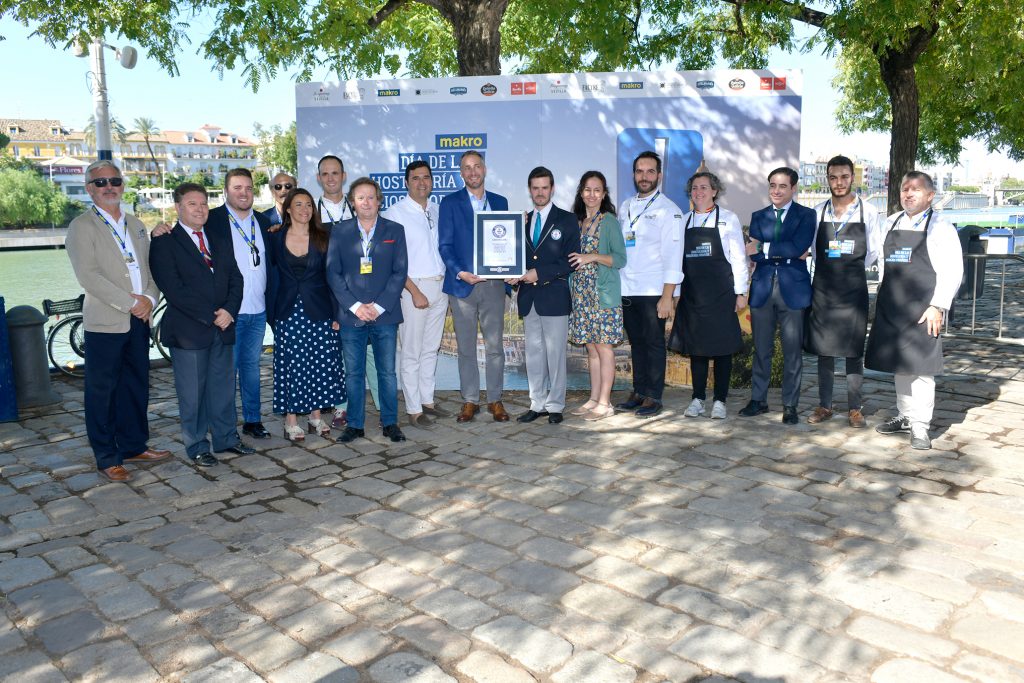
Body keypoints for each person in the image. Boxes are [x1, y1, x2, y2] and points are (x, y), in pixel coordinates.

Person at [65, 161, 169, 482]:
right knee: (102, 392)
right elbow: (89, 277)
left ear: (122, 185)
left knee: (136, 385)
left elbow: (152, 268)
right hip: (106, 324)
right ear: (89, 189)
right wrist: (131, 303)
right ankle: (107, 456)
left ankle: (135, 444)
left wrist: (149, 300)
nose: (108, 186)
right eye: (100, 182)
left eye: (114, 181)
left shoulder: (136, 224)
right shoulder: (82, 227)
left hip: (139, 320)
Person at [149, 183, 254, 468]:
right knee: (192, 394)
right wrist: (211, 315)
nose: (200, 209)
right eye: (192, 204)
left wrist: (230, 311)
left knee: (222, 390)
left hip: (223, 327)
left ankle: (226, 439)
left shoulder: (218, 239)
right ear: (178, 208)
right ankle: (196, 445)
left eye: (204, 204)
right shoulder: (164, 242)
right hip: (189, 332)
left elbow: (236, 278)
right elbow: (173, 288)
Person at [865, 171, 963, 450]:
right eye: (904, 189)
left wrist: (938, 306)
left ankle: (921, 426)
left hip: (924, 308)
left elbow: (953, 270)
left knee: (921, 368)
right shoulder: (890, 222)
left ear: (930, 195)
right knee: (901, 366)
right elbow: (873, 256)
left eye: (915, 190)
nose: (908, 194)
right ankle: (905, 416)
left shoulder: (940, 227)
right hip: (892, 305)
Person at [326, 178, 409, 444]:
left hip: (385, 314)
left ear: (379, 200)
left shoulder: (395, 230)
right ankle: (355, 425)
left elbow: (399, 272)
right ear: (353, 202)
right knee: (353, 373)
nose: (366, 202)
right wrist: (355, 306)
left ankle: (390, 423)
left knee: (387, 372)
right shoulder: (340, 232)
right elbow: (333, 273)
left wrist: (379, 306)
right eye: (360, 198)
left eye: (371, 197)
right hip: (352, 315)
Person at [806, 155, 882, 428]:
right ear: (827, 179)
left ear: (853, 178)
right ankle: (825, 405)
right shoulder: (817, 212)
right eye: (833, 177)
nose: (839, 182)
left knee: (853, 350)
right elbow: (813, 250)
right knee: (824, 349)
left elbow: (873, 252)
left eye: (844, 177)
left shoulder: (869, 212)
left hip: (853, 290)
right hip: (824, 289)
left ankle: (854, 408)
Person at [266, 188, 346, 441]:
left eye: (308, 205)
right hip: (288, 310)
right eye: (298, 205)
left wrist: (337, 313)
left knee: (320, 364)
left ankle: (315, 416)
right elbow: (269, 276)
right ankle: (291, 419)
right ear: (287, 209)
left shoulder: (324, 236)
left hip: (319, 309)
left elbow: (333, 276)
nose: (304, 209)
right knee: (292, 365)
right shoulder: (275, 238)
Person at [438, 150, 511, 423]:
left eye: (476, 166)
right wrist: (460, 273)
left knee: (495, 347)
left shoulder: (501, 202)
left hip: (493, 286)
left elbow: (509, 243)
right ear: (461, 173)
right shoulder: (449, 203)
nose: (472, 172)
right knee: (466, 348)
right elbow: (444, 245)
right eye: (466, 168)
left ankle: (495, 399)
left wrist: (511, 267)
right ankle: (470, 400)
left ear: (485, 169)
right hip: (462, 287)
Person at [667, 171, 748, 420]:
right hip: (692, 296)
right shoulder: (683, 220)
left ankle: (720, 401)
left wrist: (741, 292)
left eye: (704, 188)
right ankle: (698, 398)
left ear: (714, 191)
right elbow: (676, 261)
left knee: (723, 350)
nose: (698, 192)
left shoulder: (728, 219)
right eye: (694, 188)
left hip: (722, 294)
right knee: (697, 349)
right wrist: (676, 294)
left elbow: (738, 258)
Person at [740, 167, 816, 424]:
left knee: (792, 351)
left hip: (793, 291)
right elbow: (753, 253)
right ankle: (758, 400)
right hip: (762, 289)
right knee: (762, 349)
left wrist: (767, 247)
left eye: (782, 186)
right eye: (773, 185)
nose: (776, 190)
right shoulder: (758, 216)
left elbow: (798, 247)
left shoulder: (807, 215)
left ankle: (790, 405)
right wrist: (778, 251)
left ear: (793, 188)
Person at [204, 168, 276, 440]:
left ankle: (253, 420)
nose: (243, 193)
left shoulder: (264, 221)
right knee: (225, 372)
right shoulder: (212, 220)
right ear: (226, 190)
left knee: (251, 369)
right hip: (227, 312)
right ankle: (222, 424)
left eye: (248, 188)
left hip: (258, 311)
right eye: (237, 188)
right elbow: (187, 238)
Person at [615, 151, 684, 418]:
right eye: (640, 171)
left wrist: (668, 296)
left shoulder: (669, 210)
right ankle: (639, 391)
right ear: (634, 175)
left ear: (659, 175)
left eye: (650, 171)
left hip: (654, 291)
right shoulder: (626, 206)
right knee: (637, 344)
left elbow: (673, 256)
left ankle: (654, 396)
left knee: (654, 343)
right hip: (628, 288)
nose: (644, 177)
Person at [382, 160, 450, 427]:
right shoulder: (395, 214)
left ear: (432, 181)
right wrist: (413, 290)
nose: (422, 182)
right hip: (414, 288)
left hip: (440, 284)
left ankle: (427, 401)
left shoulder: (438, 210)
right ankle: (413, 409)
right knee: (411, 350)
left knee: (431, 349)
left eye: (426, 177)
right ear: (407, 182)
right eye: (416, 178)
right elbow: (391, 261)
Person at [510, 166, 580, 425]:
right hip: (528, 298)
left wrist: (537, 273)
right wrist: (513, 273)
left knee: (556, 354)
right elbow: (513, 257)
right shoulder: (520, 221)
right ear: (530, 190)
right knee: (534, 354)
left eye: (544, 187)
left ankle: (555, 405)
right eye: (535, 188)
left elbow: (570, 261)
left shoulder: (567, 219)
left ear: (552, 189)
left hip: (555, 296)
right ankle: (536, 403)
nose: (540, 192)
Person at [567, 171, 625, 421]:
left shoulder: (609, 221)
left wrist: (592, 257)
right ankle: (593, 399)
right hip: (581, 294)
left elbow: (620, 259)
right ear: (581, 193)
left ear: (603, 194)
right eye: (587, 189)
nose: (592, 194)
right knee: (591, 349)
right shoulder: (576, 222)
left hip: (602, 295)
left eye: (597, 190)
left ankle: (605, 402)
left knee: (604, 349)